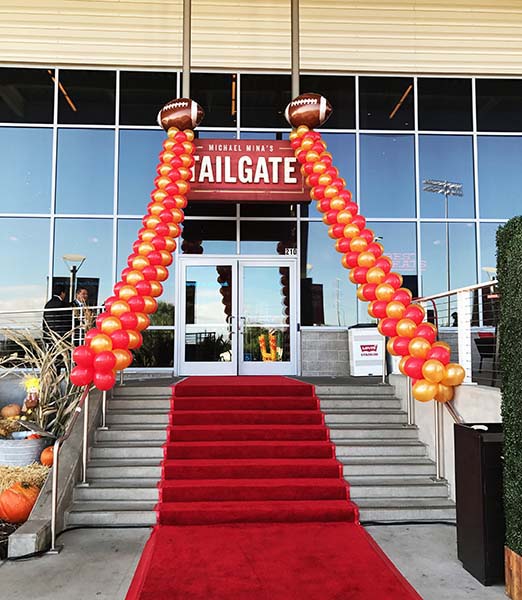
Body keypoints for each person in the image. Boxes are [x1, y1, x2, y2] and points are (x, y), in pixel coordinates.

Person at [42, 285, 72, 373]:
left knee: (54, 358)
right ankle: (66, 374)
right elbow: (67, 320)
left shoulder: (48, 304)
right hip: (61, 336)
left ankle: (54, 375)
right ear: (62, 293)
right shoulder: (62, 304)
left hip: (50, 336)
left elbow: (44, 321)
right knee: (65, 358)